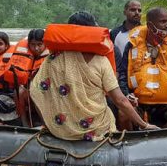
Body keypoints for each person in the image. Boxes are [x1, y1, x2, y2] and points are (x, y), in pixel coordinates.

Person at [30, 12, 158, 141]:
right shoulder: (101, 61)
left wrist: (48, 124)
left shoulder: (52, 59)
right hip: (97, 128)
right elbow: (120, 100)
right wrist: (144, 125)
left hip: (61, 129)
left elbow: (36, 91)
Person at [10, 28, 49, 127]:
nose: (36, 48)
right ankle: (25, 124)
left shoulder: (51, 56)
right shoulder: (25, 56)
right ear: (28, 44)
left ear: (45, 43)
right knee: (17, 92)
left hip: (47, 91)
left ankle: (46, 125)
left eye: (39, 44)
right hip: (29, 90)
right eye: (33, 45)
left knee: (36, 92)